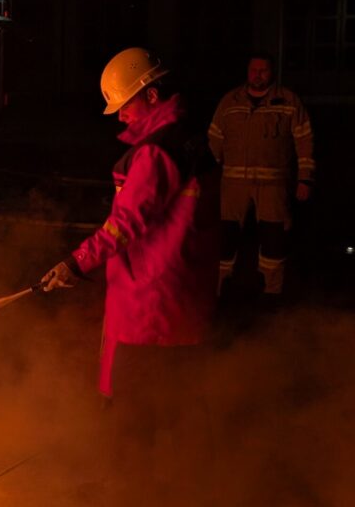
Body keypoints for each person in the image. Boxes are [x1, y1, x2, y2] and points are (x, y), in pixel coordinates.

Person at [39, 47, 220, 399]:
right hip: (182, 295)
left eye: (125, 105)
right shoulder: (190, 140)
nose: (120, 117)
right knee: (179, 404)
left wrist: (75, 263)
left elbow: (124, 223)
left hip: (149, 302)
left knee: (133, 413)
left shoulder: (155, 153)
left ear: (151, 95)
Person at [209, 54, 314, 297]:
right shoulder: (229, 101)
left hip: (273, 187)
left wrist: (305, 178)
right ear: (247, 72)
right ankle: (219, 291)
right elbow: (215, 140)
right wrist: (208, 177)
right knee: (225, 240)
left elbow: (305, 141)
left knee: (274, 241)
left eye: (263, 70)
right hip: (232, 187)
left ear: (272, 72)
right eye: (254, 70)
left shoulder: (288, 101)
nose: (258, 75)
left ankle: (272, 293)